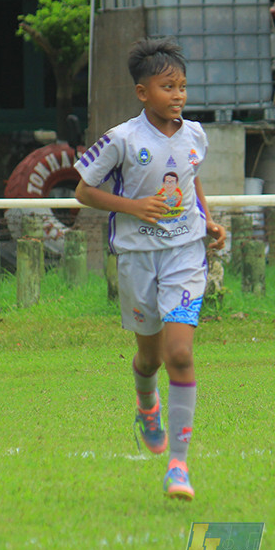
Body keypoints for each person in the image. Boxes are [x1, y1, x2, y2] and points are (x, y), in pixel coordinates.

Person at [74, 38, 226, 501]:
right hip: (137, 258)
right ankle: (147, 403)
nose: (178, 95)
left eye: (182, 86)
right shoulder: (122, 139)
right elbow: (83, 191)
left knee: (179, 354)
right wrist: (134, 207)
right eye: (167, 87)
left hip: (185, 254)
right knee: (150, 359)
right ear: (143, 93)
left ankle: (178, 466)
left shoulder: (195, 134)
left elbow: (192, 181)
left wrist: (208, 219)